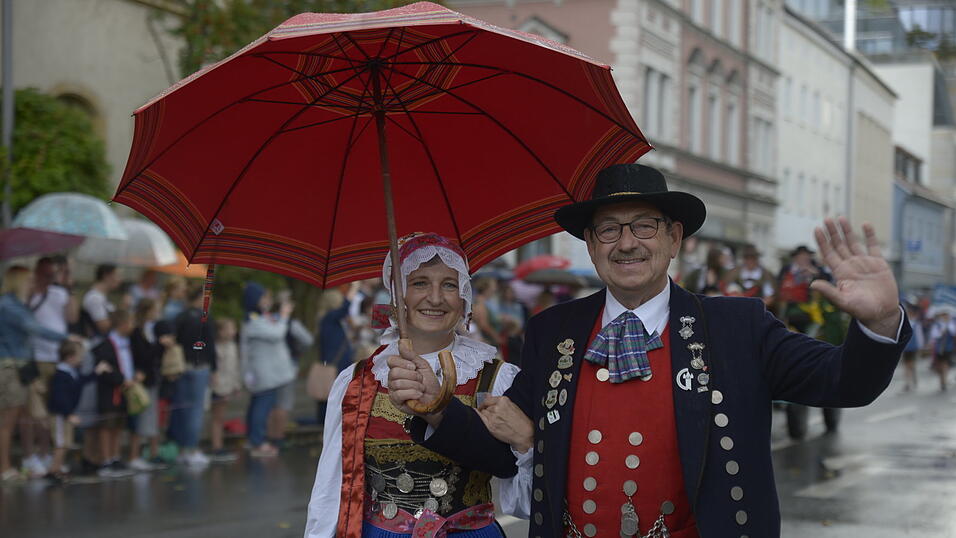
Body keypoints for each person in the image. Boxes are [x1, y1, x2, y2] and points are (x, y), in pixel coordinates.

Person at [389, 164, 910, 537]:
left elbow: (846, 382)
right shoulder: (553, 330)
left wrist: (880, 321)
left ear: (674, 238)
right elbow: (501, 448)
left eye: (644, 225)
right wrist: (438, 407)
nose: (627, 243)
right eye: (609, 229)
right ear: (591, 244)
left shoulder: (737, 326)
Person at [305, 233, 526, 537]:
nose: (435, 298)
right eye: (420, 283)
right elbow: (331, 490)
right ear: (398, 297)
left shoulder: (496, 377)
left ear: (464, 297)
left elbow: (526, 495)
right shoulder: (357, 381)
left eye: (449, 285)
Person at [0, 266, 73, 482]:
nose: (32, 284)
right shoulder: (10, 306)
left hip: (18, 365)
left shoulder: (15, 305)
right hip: (11, 366)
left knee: (15, 418)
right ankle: (4, 468)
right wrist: (66, 338)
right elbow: (34, 328)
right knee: (7, 422)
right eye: (29, 280)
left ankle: (11, 465)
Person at [21, 257, 79, 478]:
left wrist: (69, 287)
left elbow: (72, 317)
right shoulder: (28, 292)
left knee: (51, 412)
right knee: (33, 412)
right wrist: (30, 292)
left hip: (56, 358)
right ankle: (29, 456)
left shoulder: (59, 293)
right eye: (45, 274)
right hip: (34, 357)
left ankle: (46, 453)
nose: (49, 278)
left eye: (52, 274)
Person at [241, 282, 296, 458]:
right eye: (263, 297)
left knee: (257, 405)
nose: (267, 301)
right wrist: (284, 316)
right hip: (264, 373)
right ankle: (257, 443)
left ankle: (253, 440)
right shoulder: (253, 321)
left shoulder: (259, 317)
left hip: (267, 372)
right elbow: (277, 333)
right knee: (262, 406)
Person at [46, 340, 110, 484]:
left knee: (66, 443)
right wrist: (68, 414)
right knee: (61, 443)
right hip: (60, 414)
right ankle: (54, 470)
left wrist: (96, 372)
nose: (81, 359)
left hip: (66, 414)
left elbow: (82, 381)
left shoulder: (71, 372)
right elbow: (59, 397)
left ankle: (58, 468)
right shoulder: (61, 375)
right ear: (70, 357)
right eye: (79, 356)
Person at [170, 284, 217, 467]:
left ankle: (182, 449)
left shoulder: (180, 317)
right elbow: (210, 346)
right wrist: (215, 369)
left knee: (182, 409)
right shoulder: (206, 318)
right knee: (196, 410)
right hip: (200, 366)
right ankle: (192, 448)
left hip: (182, 366)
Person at [90, 309, 138, 478]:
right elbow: (104, 370)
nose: (132, 326)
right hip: (110, 391)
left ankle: (115, 456)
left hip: (124, 389)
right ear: (122, 324)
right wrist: (121, 379)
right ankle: (106, 459)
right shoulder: (105, 345)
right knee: (107, 425)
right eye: (130, 322)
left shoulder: (127, 343)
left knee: (118, 424)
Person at [268, 289, 314, 450]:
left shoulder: (267, 320)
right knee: (283, 403)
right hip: (287, 366)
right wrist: (298, 351)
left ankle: (269, 436)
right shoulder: (291, 323)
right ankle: (278, 437)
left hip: (269, 366)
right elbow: (308, 340)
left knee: (271, 404)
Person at [128, 298, 165, 470]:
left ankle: (153, 453)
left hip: (152, 377)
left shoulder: (153, 330)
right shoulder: (137, 332)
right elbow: (143, 355)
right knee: (140, 417)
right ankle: (134, 455)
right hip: (142, 378)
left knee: (152, 417)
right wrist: (159, 346)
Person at [209, 317, 241, 462]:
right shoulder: (215, 347)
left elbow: (235, 368)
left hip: (227, 385)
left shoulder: (233, 346)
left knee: (220, 417)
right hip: (218, 386)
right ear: (220, 332)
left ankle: (218, 444)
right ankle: (217, 446)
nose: (233, 332)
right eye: (230, 329)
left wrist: (236, 385)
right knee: (217, 417)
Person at [900, 303, 925, 392]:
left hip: (914, 347)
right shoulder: (903, 324)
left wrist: (921, 346)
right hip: (906, 347)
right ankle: (908, 382)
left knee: (911, 365)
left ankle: (912, 379)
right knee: (907, 365)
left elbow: (919, 335)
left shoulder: (916, 324)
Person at [929, 310, 956, 391]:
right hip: (939, 349)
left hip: (948, 348)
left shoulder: (951, 324)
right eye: (943, 315)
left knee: (945, 364)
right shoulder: (937, 325)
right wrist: (941, 331)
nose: (945, 317)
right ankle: (942, 379)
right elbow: (934, 335)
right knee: (939, 366)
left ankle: (943, 381)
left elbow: (953, 333)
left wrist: (948, 326)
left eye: (946, 315)